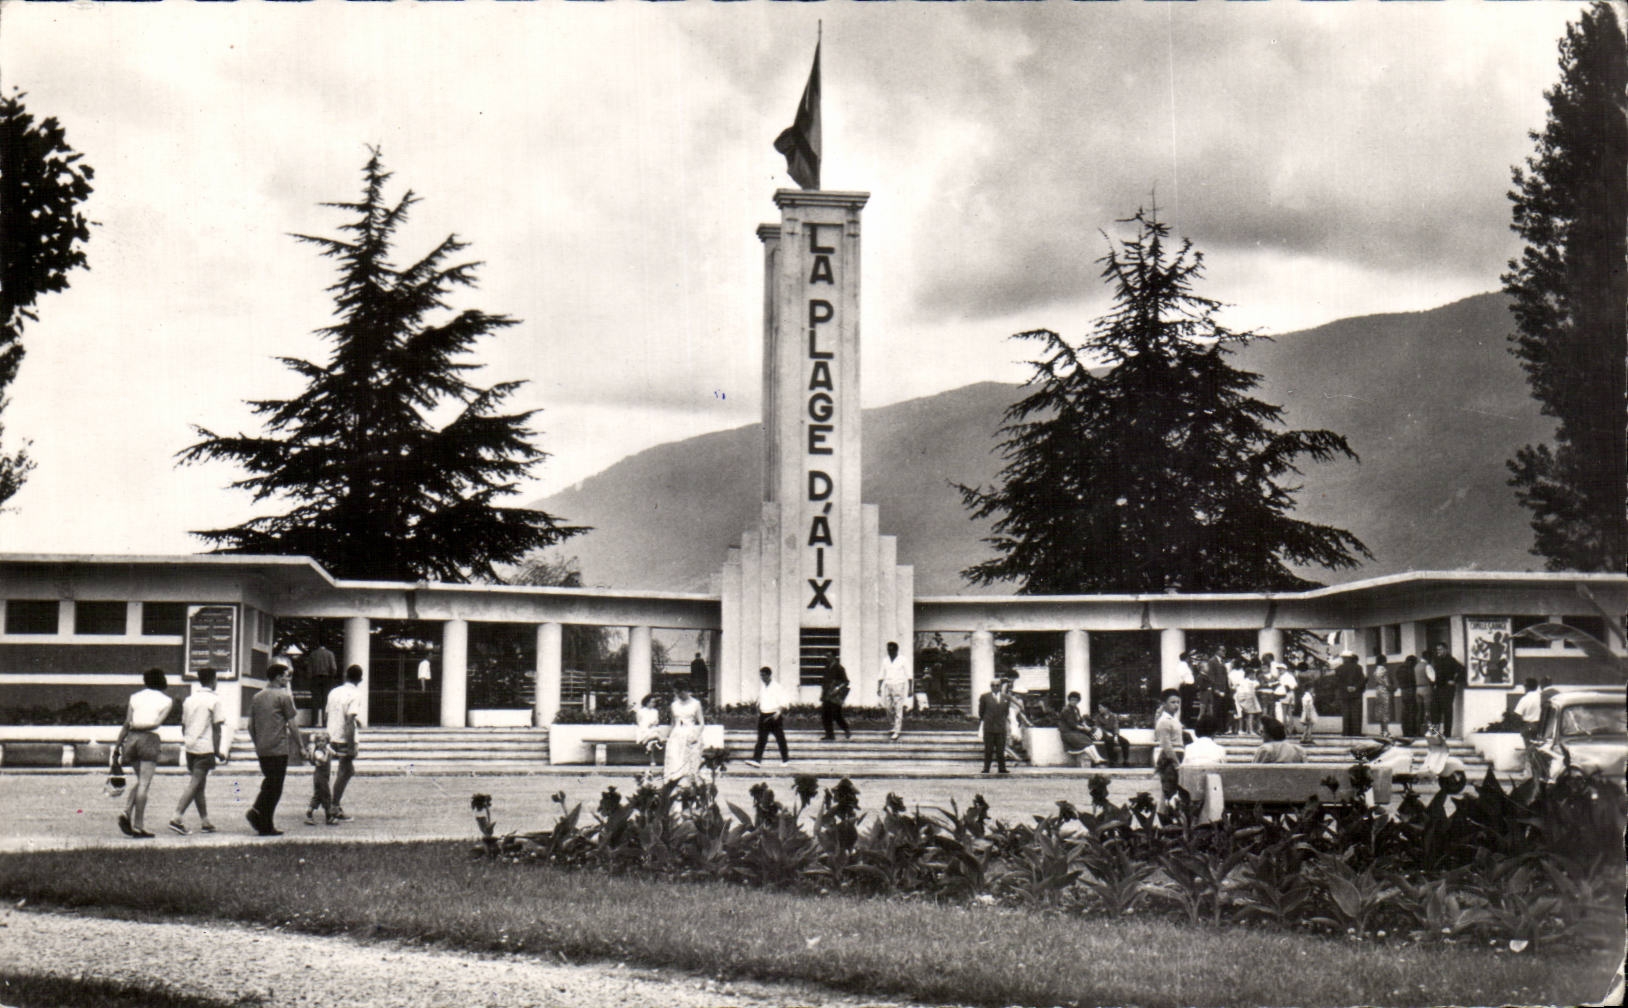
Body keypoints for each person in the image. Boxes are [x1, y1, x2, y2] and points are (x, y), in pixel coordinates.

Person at [113, 667, 174, 839]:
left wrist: (118, 745)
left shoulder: (135, 697)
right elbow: (156, 724)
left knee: (141, 781)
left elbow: (127, 723)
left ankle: (126, 812)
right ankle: (138, 826)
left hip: (131, 739)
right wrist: (139, 726)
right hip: (149, 740)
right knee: (145, 784)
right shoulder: (166, 700)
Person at [247, 660, 304, 836]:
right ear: (278, 677)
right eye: (286, 675)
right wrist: (301, 746)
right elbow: (292, 725)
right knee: (275, 787)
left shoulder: (257, 697)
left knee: (269, 783)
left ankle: (258, 815)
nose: (287, 679)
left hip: (263, 748)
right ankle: (262, 820)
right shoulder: (283, 697)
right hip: (278, 748)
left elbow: (250, 725)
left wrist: (258, 742)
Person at [168, 666, 227, 835]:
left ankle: (205, 821)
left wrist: (189, 741)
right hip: (205, 748)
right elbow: (217, 729)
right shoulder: (214, 701)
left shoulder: (189, 700)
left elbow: (184, 725)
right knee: (195, 783)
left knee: (199, 786)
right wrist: (217, 751)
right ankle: (176, 817)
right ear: (213, 680)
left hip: (191, 748)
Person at [324, 664, 365, 822]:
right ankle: (334, 806)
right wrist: (350, 743)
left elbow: (327, 715)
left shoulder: (334, 692)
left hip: (331, 735)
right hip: (343, 737)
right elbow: (349, 720)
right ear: (360, 679)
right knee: (346, 771)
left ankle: (329, 804)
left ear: (345, 675)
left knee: (327, 772)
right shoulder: (355, 694)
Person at [744, 666, 790, 768]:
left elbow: (784, 701)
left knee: (780, 738)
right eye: (761, 675)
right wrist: (758, 710)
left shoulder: (777, 687)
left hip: (774, 715)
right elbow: (759, 701)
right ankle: (756, 760)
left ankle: (785, 760)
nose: (762, 677)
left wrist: (778, 713)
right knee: (761, 738)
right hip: (764, 715)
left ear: (769, 675)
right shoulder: (763, 688)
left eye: (764, 675)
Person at [663, 683, 705, 785]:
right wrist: (667, 736)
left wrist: (696, 735)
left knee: (688, 761)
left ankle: (688, 784)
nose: (677, 695)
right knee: (674, 758)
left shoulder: (696, 703)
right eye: (676, 692)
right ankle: (673, 782)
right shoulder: (674, 705)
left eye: (679, 692)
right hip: (676, 735)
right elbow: (673, 723)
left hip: (690, 734)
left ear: (685, 690)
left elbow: (701, 722)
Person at [1153, 689, 1185, 809]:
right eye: (1172, 702)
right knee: (1170, 788)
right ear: (1164, 704)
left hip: (1179, 754)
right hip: (1170, 758)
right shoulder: (1164, 721)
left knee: (1179, 789)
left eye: (1178, 702)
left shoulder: (1174, 719)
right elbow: (1166, 745)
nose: (1176, 705)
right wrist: (1176, 763)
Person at [976, 677, 1013, 774]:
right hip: (989, 727)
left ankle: (1002, 768)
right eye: (993, 685)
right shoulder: (985, 697)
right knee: (988, 749)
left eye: (997, 685)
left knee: (1000, 749)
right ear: (990, 686)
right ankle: (986, 768)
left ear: (1000, 686)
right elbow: (981, 712)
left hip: (1000, 727)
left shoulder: (1006, 698)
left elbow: (1006, 712)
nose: (995, 687)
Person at [1428, 642, 1465, 735]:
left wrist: (1454, 681)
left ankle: (1447, 734)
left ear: (1446, 650)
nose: (1438, 652)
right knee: (1434, 711)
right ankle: (1434, 734)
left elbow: (1462, 670)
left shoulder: (1451, 660)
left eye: (1440, 649)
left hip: (1447, 690)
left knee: (1447, 711)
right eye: (1437, 650)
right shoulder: (1436, 660)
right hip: (1437, 689)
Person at [1059, 691, 1104, 766]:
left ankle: (1098, 758)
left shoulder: (1076, 709)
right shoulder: (1066, 710)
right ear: (1069, 700)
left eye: (1076, 700)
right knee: (1084, 742)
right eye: (1072, 700)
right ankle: (1096, 759)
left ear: (1078, 701)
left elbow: (1080, 720)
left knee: (1087, 741)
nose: (1074, 702)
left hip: (1075, 733)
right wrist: (1084, 729)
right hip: (1067, 734)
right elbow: (1072, 724)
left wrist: (1086, 726)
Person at [878, 641, 912, 741]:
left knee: (898, 707)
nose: (890, 652)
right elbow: (881, 675)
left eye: (892, 650)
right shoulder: (885, 660)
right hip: (888, 685)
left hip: (899, 685)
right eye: (888, 650)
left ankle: (897, 730)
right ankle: (893, 726)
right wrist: (878, 687)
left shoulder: (903, 660)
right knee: (888, 707)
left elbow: (909, 675)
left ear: (896, 650)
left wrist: (910, 689)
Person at [304, 730, 337, 826]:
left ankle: (309, 813)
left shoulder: (325, 750)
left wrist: (330, 750)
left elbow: (334, 754)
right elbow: (323, 760)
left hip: (325, 776)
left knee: (318, 796)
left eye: (323, 741)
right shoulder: (318, 752)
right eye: (319, 741)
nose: (321, 743)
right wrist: (327, 752)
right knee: (326, 795)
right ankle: (328, 816)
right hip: (320, 777)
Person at [819, 655, 852, 741]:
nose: (827, 658)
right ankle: (829, 735)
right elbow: (824, 682)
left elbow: (846, 682)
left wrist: (837, 689)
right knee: (825, 715)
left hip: (835, 696)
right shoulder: (826, 667)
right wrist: (823, 694)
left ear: (834, 657)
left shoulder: (839, 668)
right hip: (827, 695)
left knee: (836, 715)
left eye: (829, 656)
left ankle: (846, 728)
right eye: (826, 656)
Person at [1334, 651, 1366, 737]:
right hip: (1356, 694)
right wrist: (1355, 687)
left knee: (1346, 713)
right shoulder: (1358, 667)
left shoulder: (1339, 668)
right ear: (1351, 657)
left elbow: (1337, 682)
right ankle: (1356, 732)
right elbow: (1362, 680)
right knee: (1355, 713)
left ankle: (1346, 732)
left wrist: (1346, 687)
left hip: (1344, 694)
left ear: (1343, 658)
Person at [1092, 702, 1132, 766]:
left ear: (1106, 708)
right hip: (1103, 735)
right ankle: (1112, 761)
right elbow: (1097, 727)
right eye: (1099, 707)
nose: (1099, 709)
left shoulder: (1113, 716)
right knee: (1109, 741)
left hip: (1113, 734)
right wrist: (1106, 732)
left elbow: (1116, 726)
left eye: (1101, 707)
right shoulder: (1098, 717)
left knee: (1125, 742)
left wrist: (1116, 735)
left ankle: (1125, 760)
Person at [307, 641, 337, 725]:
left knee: (315, 700)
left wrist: (310, 679)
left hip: (315, 678)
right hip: (327, 678)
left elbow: (309, 669)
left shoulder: (313, 654)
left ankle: (314, 722)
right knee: (326, 701)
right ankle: (325, 722)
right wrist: (332, 677)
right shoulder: (330, 654)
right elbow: (334, 668)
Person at [634, 694, 666, 765]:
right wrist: (647, 725)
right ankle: (658, 745)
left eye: (654, 702)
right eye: (652, 702)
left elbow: (657, 721)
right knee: (654, 737)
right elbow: (639, 722)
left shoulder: (655, 711)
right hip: (644, 730)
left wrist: (654, 723)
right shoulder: (641, 711)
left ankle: (651, 755)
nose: (653, 704)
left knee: (652, 740)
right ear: (647, 702)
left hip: (653, 729)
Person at [1369, 656, 1395, 738]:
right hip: (1384, 690)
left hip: (1378, 690)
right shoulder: (1384, 670)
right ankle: (1386, 731)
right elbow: (1386, 683)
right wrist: (1391, 688)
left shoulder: (1376, 670)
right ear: (1383, 661)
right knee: (1386, 710)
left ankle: (1382, 730)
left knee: (1379, 710)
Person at [1513, 677, 1544, 744]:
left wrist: (1521, 727)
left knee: (1529, 748)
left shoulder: (1524, 699)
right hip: (1540, 726)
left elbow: (1517, 715)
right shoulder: (1541, 697)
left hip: (1528, 726)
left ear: (1527, 687)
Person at [1396, 655, 1421, 737]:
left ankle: (1405, 731)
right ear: (1411, 662)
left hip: (1403, 691)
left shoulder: (1399, 669)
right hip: (1411, 690)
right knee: (1412, 711)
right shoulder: (1411, 669)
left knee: (1404, 712)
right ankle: (1412, 732)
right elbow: (1414, 680)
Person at [1235, 665, 1262, 736]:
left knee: (1244, 714)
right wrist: (1254, 678)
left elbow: (1236, 687)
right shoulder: (1251, 682)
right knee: (1251, 713)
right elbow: (1258, 684)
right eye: (1253, 674)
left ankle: (1245, 729)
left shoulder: (1241, 681)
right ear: (1250, 675)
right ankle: (1251, 730)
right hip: (1248, 696)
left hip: (1239, 697)